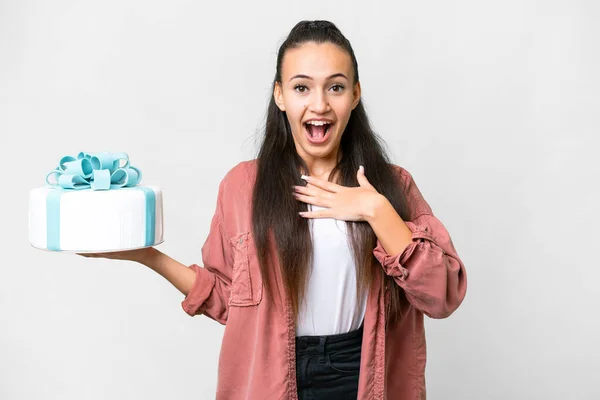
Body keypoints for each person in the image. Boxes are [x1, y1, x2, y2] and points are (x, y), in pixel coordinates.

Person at [81, 20, 467, 400]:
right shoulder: (243, 187)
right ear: (280, 96)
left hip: (363, 372)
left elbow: (441, 296)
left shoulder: (392, 186)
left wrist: (376, 209)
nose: (319, 104)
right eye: (302, 87)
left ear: (355, 95)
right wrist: (147, 257)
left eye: (335, 87)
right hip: (272, 375)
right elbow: (229, 301)